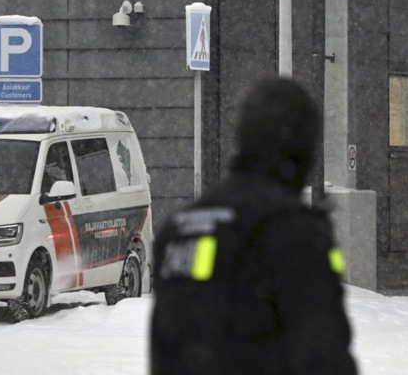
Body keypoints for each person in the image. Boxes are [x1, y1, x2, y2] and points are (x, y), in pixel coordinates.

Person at [150, 77, 357, 375]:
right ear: (304, 149)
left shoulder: (179, 227)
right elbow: (324, 358)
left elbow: (166, 350)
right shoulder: (293, 231)